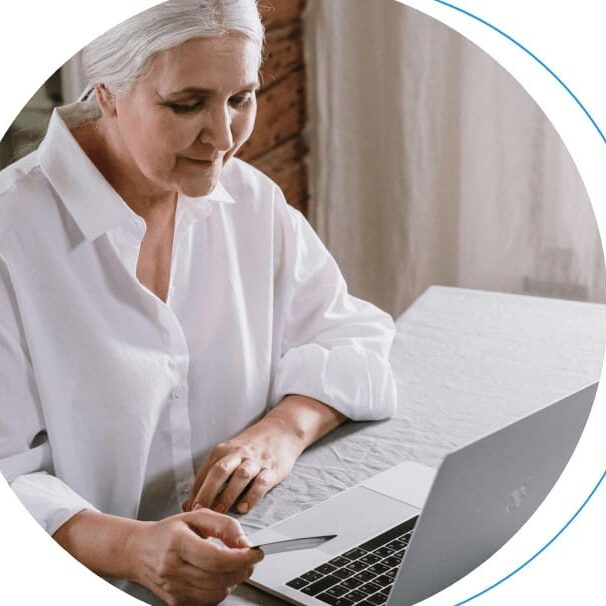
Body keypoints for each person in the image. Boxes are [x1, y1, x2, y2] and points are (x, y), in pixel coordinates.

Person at [0, 0, 397, 604]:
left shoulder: (250, 201)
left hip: (253, 563)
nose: (225, 137)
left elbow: (355, 339)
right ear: (106, 91)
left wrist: (281, 432)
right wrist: (134, 548)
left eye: (241, 98)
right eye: (187, 105)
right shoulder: (12, 238)